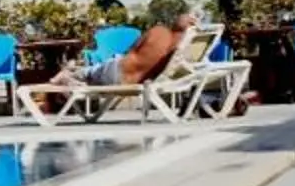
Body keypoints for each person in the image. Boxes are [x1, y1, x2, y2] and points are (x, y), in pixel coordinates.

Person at [30, 9, 193, 117]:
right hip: (132, 82)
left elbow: (132, 50)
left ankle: (63, 77)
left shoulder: (158, 32)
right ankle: (66, 78)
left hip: (116, 71)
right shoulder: (181, 49)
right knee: (85, 76)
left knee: (84, 73)